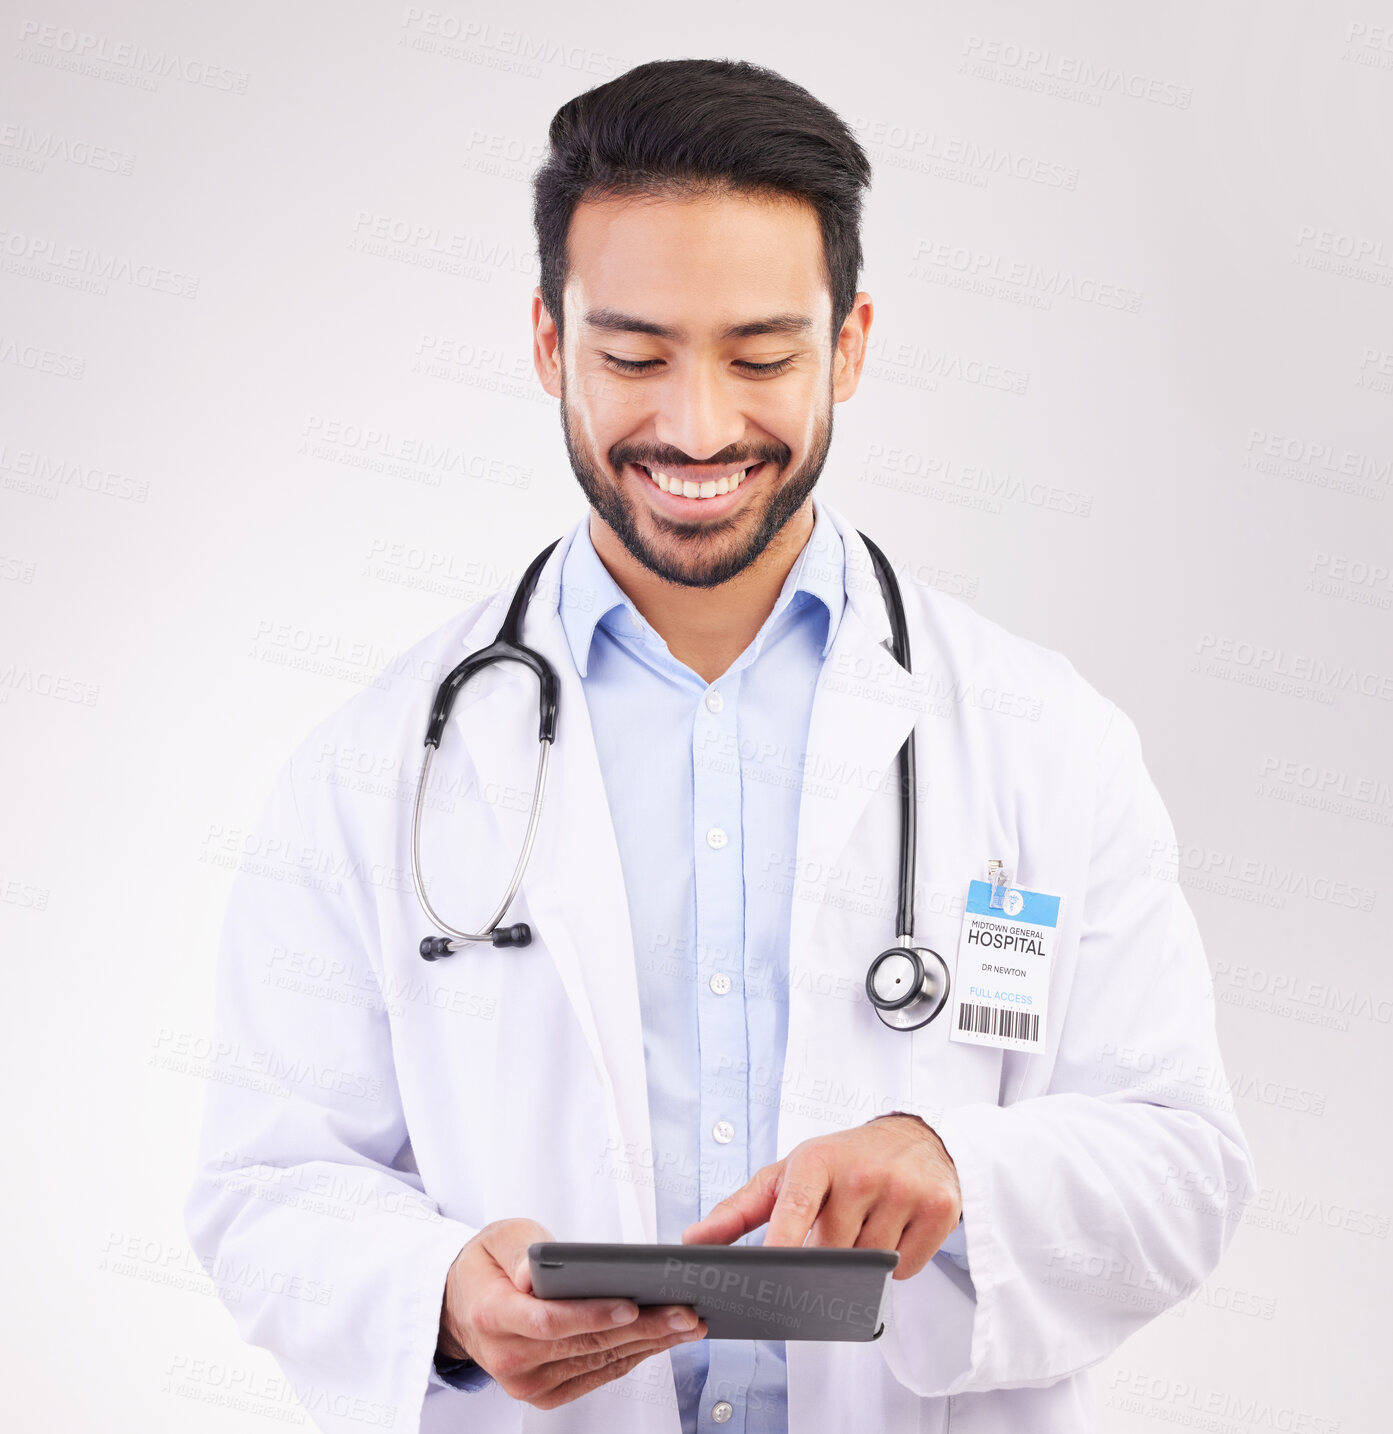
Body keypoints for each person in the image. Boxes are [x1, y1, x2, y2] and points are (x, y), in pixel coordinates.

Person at [184, 57, 1257, 1434]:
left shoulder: (1043, 742)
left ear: (851, 344)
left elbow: (1179, 1163)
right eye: (631, 356)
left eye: (761, 358)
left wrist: (959, 1167)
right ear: (543, 342)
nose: (696, 426)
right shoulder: (376, 761)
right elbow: (265, 1188)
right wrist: (442, 1285)